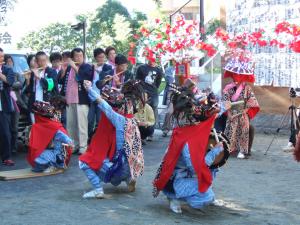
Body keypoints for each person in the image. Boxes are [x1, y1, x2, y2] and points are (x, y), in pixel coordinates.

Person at [153, 85, 226, 214]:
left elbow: (211, 114)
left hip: (184, 172)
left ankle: (183, 193)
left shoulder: (187, 126)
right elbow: (195, 167)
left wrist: (224, 106)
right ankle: (174, 196)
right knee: (207, 197)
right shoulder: (187, 135)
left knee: (214, 169)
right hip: (178, 176)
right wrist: (214, 151)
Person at [79, 80, 145, 199]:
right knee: (123, 155)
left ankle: (98, 190)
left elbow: (103, 104)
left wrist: (89, 89)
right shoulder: (133, 121)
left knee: (84, 162)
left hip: (117, 168)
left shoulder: (119, 119)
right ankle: (129, 178)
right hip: (132, 166)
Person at [223, 48, 260, 159]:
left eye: (239, 76)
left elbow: (251, 101)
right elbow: (225, 100)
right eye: (235, 75)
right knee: (230, 130)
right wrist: (228, 111)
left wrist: (245, 110)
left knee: (244, 130)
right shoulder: (228, 88)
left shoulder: (247, 88)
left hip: (243, 113)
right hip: (232, 113)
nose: (237, 78)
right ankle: (228, 149)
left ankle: (243, 151)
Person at [59, 48, 93, 155]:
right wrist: (63, 70)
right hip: (69, 99)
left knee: (82, 125)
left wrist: (74, 67)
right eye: (76, 56)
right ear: (72, 57)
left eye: (80, 56)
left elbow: (85, 77)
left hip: (81, 100)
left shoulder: (86, 66)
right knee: (71, 125)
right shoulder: (68, 68)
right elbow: (60, 81)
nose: (78, 58)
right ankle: (74, 146)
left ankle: (83, 147)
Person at [27, 95, 73, 173]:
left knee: (40, 154)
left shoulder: (40, 125)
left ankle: (51, 164)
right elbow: (67, 141)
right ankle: (51, 164)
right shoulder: (51, 125)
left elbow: (65, 140)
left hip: (48, 157)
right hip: (53, 153)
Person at [23, 51, 58, 123]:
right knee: (35, 126)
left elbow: (50, 86)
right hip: (34, 104)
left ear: (47, 60)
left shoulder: (52, 71)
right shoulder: (34, 72)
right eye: (40, 61)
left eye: (44, 60)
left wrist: (39, 77)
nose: (43, 63)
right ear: (36, 61)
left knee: (47, 126)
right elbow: (29, 91)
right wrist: (27, 79)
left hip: (47, 104)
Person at [136, 53, 163, 140]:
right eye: (150, 58)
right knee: (142, 110)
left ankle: (151, 132)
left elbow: (158, 82)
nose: (152, 61)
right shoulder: (141, 68)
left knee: (153, 109)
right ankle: (142, 133)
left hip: (153, 93)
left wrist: (154, 89)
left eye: (153, 59)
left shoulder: (158, 70)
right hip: (142, 92)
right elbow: (137, 80)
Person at [88, 48, 113, 138]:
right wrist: (92, 69)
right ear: (95, 58)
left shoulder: (108, 67)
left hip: (102, 97)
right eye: (99, 57)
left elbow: (106, 78)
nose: (102, 59)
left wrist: (97, 70)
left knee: (99, 119)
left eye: (103, 57)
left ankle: (99, 139)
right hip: (90, 96)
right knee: (90, 120)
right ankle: (89, 138)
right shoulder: (90, 67)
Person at [4, 54, 25, 153]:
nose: (9, 63)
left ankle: (14, 147)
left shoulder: (16, 74)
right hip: (4, 104)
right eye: (7, 62)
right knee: (5, 128)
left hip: (16, 104)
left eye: (10, 62)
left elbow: (20, 85)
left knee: (14, 127)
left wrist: (8, 84)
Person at [0, 48, 15, 166]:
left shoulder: (8, 69)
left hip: (3, 105)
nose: (2, 59)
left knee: (6, 132)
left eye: (2, 57)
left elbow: (9, 82)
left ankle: (7, 157)